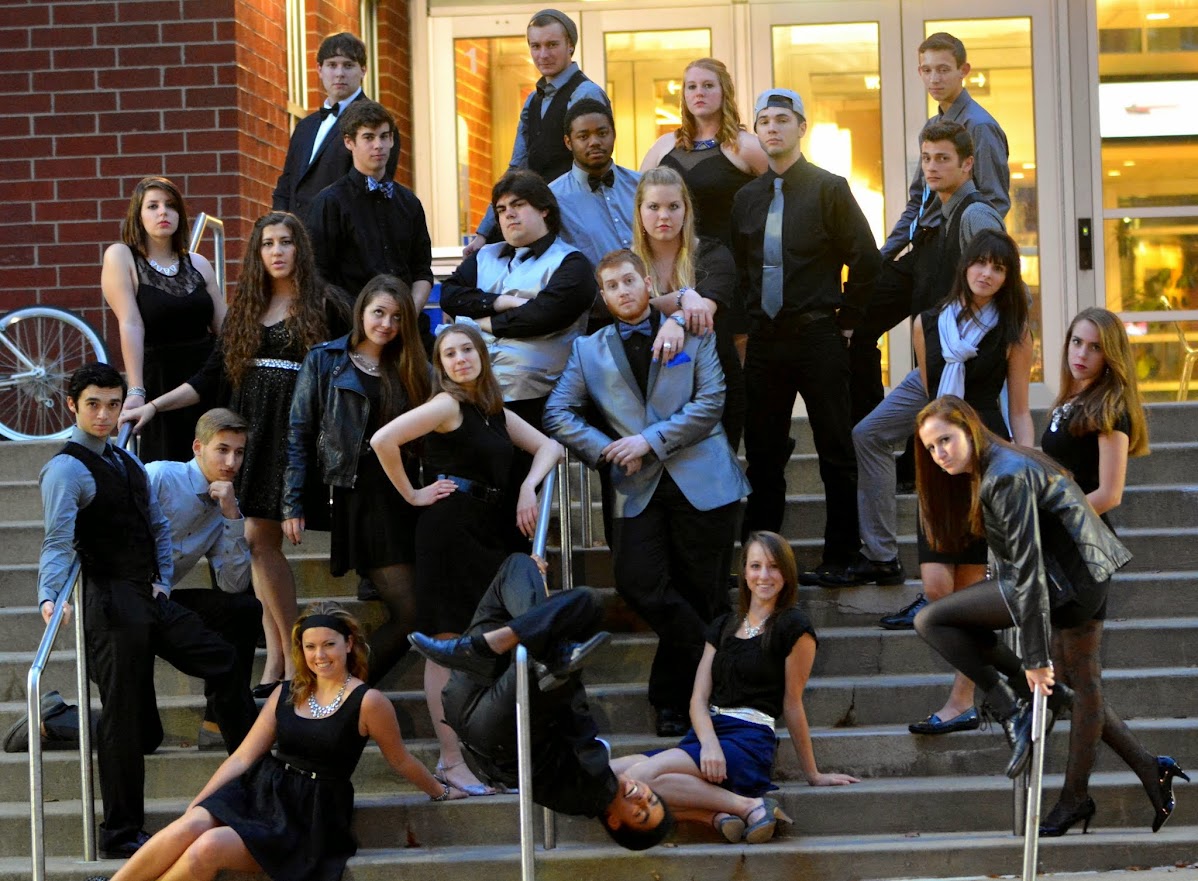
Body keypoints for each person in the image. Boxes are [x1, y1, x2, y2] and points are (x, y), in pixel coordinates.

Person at [911, 396, 1188, 835]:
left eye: (945, 439)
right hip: (1084, 575)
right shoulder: (1001, 462)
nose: (939, 453)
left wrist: (1036, 662)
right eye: (930, 447)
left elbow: (1027, 574)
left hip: (1064, 583)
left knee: (932, 621)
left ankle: (1011, 705)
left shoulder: (1003, 475)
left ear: (969, 428)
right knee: (1079, 687)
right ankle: (1148, 767)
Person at [121, 211, 347, 698]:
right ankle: (280, 659)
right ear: (257, 253)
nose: (277, 252)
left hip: (292, 435)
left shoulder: (325, 303)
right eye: (267, 244)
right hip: (250, 437)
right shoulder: (247, 307)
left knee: (259, 541)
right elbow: (209, 377)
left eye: (286, 242)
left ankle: (291, 660)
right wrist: (154, 405)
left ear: (300, 249)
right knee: (256, 542)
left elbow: (346, 372)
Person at [38, 364, 253, 860]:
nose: (105, 414)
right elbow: (56, 541)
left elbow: (157, 527)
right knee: (126, 723)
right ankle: (120, 833)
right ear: (72, 405)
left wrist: (161, 579)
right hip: (109, 603)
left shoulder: (126, 460)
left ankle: (250, 783)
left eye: (113, 404)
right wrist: (50, 596)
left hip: (147, 596)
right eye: (93, 404)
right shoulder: (66, 469)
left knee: (222, 659)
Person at [85, 603, 465, 881]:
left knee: (207, 848)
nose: (319, 655)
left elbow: (400, 760)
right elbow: (242, 757)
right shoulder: (287, 692)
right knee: (190, 825)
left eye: (329, 644)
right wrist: (199, 802)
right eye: (310, 647)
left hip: (309, 813)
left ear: (349, 644)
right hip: (261, 790)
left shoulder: (369, 701)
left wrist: (441, 791)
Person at [543, 249, 749, 738]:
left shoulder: (694, 332)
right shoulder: (587, 351)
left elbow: (711, 402)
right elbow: (557, 413)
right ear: (603, 296)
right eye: (612, 286)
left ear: (647, 284)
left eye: (629, 281)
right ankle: (726, 660)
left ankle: (675, 702)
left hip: (704, 480)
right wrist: (607, 449)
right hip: (636, 486)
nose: (623, 291)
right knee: (637, 582)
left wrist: (648, 441)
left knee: (701, 593)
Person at [370, 322, 563, 796]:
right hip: (449, 530)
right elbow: (382, 441)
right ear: (441, 366)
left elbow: (551, 447)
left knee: (483, 643)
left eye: (466, 350)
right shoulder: (447, 404)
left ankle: (480, 758)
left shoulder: (493, 411)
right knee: (447, 641)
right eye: (449, 354)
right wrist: (413, 495)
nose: (460, 359)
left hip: (486, 529)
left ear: (481, 355)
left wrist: (527, 486)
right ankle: (452, 760)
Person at [862, 230, 1033, 735]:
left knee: (970, 588)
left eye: (998, 268)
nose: (987, 274)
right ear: (965, 266)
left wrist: (1024, 463)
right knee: (939, 587)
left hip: (986, 461)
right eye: (981, 263)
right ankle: (1005, 682)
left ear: (1007, 277)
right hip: (937, 461)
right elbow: (930, 398)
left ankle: (962, 701)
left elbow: (1020, 409)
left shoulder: (1014, 329)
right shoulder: (926, 323)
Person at [408, 553, 676, 849]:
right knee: (518, 568)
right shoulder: (595, 779)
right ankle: (496, 647)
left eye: (640, 813)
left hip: (497, 727)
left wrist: (567, 672)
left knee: (584, 606)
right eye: (652, 799)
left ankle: (546, 653)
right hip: (478, 694)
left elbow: (574, 719)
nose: (642, 797)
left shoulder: (592, 789)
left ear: (614, 821)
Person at [1038, 309, 1186, 835]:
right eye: (1076, 342)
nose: (1081, 353)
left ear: (1111, 355)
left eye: (1094, 346)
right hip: (1062, 552)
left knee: (1081, 680)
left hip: (1084, 553)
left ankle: (1075, 796)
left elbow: (1109, 493)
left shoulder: (1109, 407)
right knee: (1073, 681)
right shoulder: (1069, 400)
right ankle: (1148, 767)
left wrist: (1047, 514)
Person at [610, 532, 858, 843]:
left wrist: (813, 774)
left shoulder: (794, 627)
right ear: (744, 573)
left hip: (748, 740)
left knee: (639, 778)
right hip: (707, 735)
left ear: (787, 573)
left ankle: (747, 805)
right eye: (756, 566)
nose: (764, 575)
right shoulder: (723, 625)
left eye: (774, 567)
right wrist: (709, 744)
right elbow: (698, 700)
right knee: (610, 774)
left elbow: (792, 703)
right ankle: (717, 815)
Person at [731, 88, 879, 585]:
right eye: (764, 121)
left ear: (801, 128)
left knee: (836, 450)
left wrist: (849, 320)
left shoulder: (829, 189)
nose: (772, 128)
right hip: (765, 342)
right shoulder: (746, 199)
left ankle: (842, 556)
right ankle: (762, 563)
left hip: (818, 335)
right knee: (763, 455)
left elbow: (866, 259)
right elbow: (742, 271)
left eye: (782, 119)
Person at [284, 276, 430, 686]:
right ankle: (341, 691)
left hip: (405, 492)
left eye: (397, 317)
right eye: (378, 313)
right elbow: (299, 431)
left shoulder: (411, 365)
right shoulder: (326, 359)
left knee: (417, 609)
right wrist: (292, 502)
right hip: (362, 495)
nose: (386, 324)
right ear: (361, 311)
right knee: (411, 612)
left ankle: (344, 691)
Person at [850, 120, 1006, 425]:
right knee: (867, 434)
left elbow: (1007, 285)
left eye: (943, 158)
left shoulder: (975, 215)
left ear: (967, 164)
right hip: (940, 357)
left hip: (967, 361)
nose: (931, 167)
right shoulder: (944, 215)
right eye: (926, 158)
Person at [440, 169, 596, 432]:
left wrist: (481, 322)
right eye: (501, 210)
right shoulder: (484, 256)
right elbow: (449, 296)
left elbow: (541, 316)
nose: (508, 214)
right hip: (469, 393)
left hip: (536, 401)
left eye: (518, 205)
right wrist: (500, 302)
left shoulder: (572, 263)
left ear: (544, 210)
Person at [145, 408, 261, 752]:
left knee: (243, 609)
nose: (231, 462)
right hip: (123, 605)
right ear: (198, 447)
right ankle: (57, 718)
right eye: (222, 450)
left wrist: (232, 516)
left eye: (239, 452)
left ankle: (218, 721)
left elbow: (232, 585)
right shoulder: (160, 476)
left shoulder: (224, 504)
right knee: (142, 735)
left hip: (163, 604)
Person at [464, 8, 610, 255]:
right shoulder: (533, 100)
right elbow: (517, 168)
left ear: (570, 46)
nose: (543, 54)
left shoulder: (586, 93)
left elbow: (594, 165)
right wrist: (484, 233)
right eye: (536, 46)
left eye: (552, 45)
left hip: (578, 220)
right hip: (543, 220)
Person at [101, 176, 223, 463]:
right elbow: (131, 323)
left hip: (207, 380)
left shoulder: (198, 263)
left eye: (170, 205)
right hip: (160, 380)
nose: (163, 212)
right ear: (138, 215)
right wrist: (136, 389)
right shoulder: (122, 257)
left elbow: (226, 329)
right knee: (167, 468)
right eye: (152, 206)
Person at [632, 165, 745, 448]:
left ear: (686, 210)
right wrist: (683, 296)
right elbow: (620, 309)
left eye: (673, 206)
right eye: (653, 207)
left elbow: (703, 311)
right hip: (648, 393)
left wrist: (675, 318)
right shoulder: (627, 263)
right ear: (639, 211)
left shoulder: (714, 254)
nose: (664, 216)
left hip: (712, 388)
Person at [881, 32, 1010, 262]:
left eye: (943, 70)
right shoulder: (932, 127)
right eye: (927, 70)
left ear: (963, 70)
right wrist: (883, 255)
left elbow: (994, 203)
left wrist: (969, 260)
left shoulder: (980, 126)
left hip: (958, 252)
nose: (934, 79)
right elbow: (919, 201)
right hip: (928, 245)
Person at [306, 100, 434, 312]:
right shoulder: (330, 203)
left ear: (392, 139)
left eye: (384, 136)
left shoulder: (410, 203)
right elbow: (318, 276)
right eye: (368, 137)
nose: (378, 145)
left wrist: (408, 314)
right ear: (349, 142)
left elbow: (422, 271)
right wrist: (358, 318)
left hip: (406, 321)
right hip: (350, 324)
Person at [271, 32, 399, 223]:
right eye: (332, 65)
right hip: (297, 235)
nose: (339, 73)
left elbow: (372, 190)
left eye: (348, 65)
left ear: (363, 70)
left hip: (342, 232)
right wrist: (279, 226)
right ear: (319, 69)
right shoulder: (305, 126)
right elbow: (287, 183)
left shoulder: (379, 122)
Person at [640, 58, 767, 248]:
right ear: (684, 95)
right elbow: (636, 200)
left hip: (730, 258)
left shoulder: (746, 146)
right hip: (672, 259)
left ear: (725, 91)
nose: (699, 93)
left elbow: (783, 198)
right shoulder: (663, 145)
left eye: (708, 85)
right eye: (692, 87)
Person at [549, 97, 639, 277]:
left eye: (602, 133)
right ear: (568, 142)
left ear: (614, 134)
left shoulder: (642, 185)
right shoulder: (553, 198)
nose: (594, 142)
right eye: (583, 136)